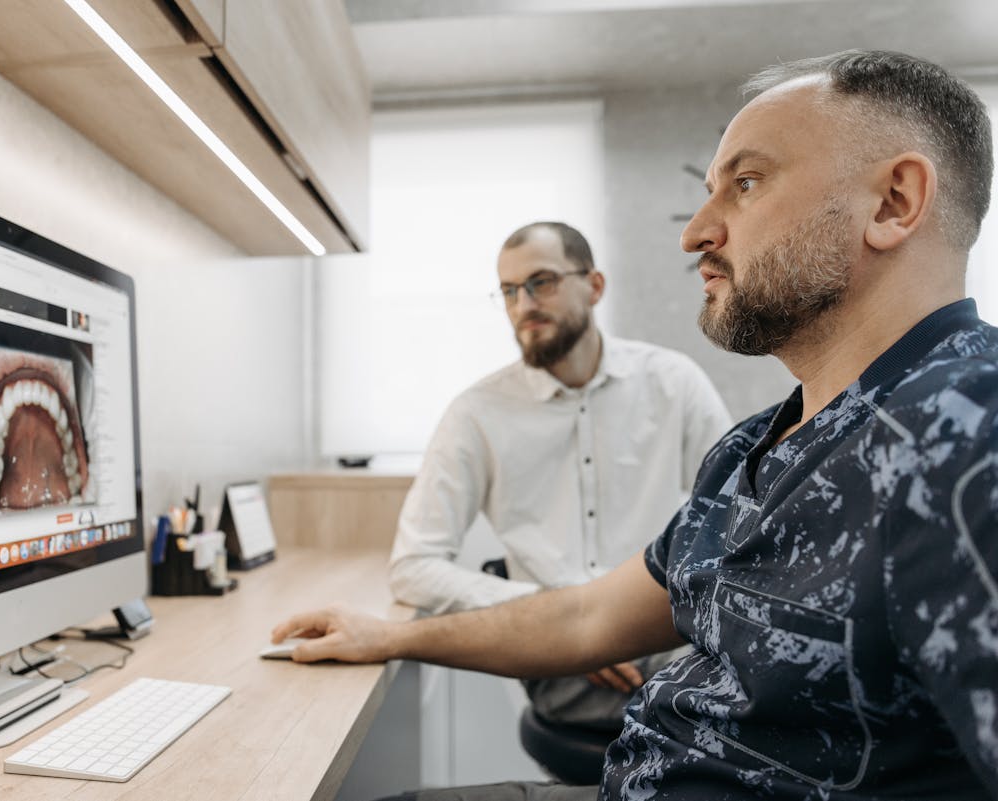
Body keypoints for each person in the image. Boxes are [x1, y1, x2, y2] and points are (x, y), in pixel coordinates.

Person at [271, 49, 998, 800]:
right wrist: (387, 634)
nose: (694, 234)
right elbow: (589, 616)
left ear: (893, 202)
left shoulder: (965, 433)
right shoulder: (756, 449)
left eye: (745, 184)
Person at [390, 221, 731, 732]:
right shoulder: (475, 413)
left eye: (541, 282)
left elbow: (735, 520)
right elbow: (413, 566)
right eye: (508, 291)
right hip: (558, 659)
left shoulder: (672, 382)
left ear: (594, 286)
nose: (523, 305)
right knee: (715, 718)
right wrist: (553, 616)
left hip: (668, 634)